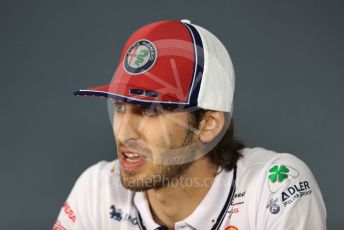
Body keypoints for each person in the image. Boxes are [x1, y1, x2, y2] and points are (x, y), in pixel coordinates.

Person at [54, 19, 326, 230]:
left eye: (151, 111)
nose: (124, 132)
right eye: (120, 107)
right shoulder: (97, 188)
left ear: (208, 124)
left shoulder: (275, 187)